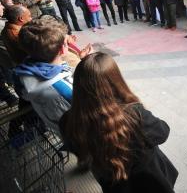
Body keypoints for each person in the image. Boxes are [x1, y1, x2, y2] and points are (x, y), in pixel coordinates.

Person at [59, 52, 178, 192]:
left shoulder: (67, 121)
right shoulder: (135, 115)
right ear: (115, 81)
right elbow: (163, 132)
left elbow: (79, 151)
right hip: (149, 183)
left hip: (111, 184)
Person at [14, 18, 73, 135]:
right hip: (81, 136)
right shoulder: (65, 89)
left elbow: (23, 95)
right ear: (62, 49)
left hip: (59, 129)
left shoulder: (21, 73)